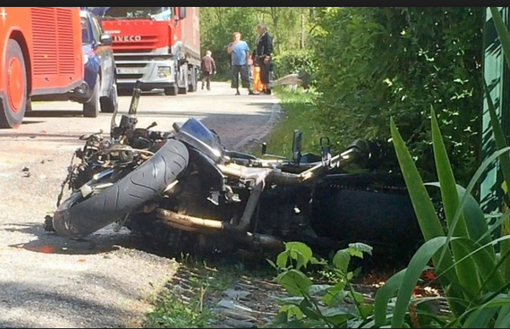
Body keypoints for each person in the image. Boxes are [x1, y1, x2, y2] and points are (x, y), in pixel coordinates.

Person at [254, 23, 274, 95]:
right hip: (260, 57)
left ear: (263, 29)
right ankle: (264, 88)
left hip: (265, 56)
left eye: (259, 29)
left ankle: (267, 89)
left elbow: (269, 47)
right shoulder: (260, 37)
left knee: (265, 73)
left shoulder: (267, 37)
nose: (258, 30)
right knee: (262, 74)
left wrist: (267, 56)